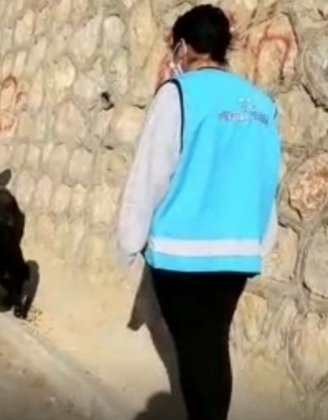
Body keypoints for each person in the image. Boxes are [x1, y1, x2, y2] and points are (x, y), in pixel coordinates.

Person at [115, 5, 281, 420]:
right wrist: (262, 242)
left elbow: (150, 173)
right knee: (212, 346)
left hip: (182, 253)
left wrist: (128, 241)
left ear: (184, 46)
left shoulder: (179, 93)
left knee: (194, 352)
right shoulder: (263, 105)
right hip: (237, 253)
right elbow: (268, 179)